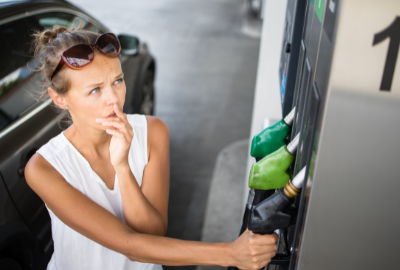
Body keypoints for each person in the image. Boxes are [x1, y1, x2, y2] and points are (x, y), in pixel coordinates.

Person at [25, 20, 278, 270]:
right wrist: (230, 254)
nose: (114, 99)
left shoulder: (153, 132)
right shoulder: (45, 168)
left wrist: (122, 167)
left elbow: (152, 232)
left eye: (117, 81)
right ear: (59, 99)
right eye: (95, 90)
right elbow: (132, 246)